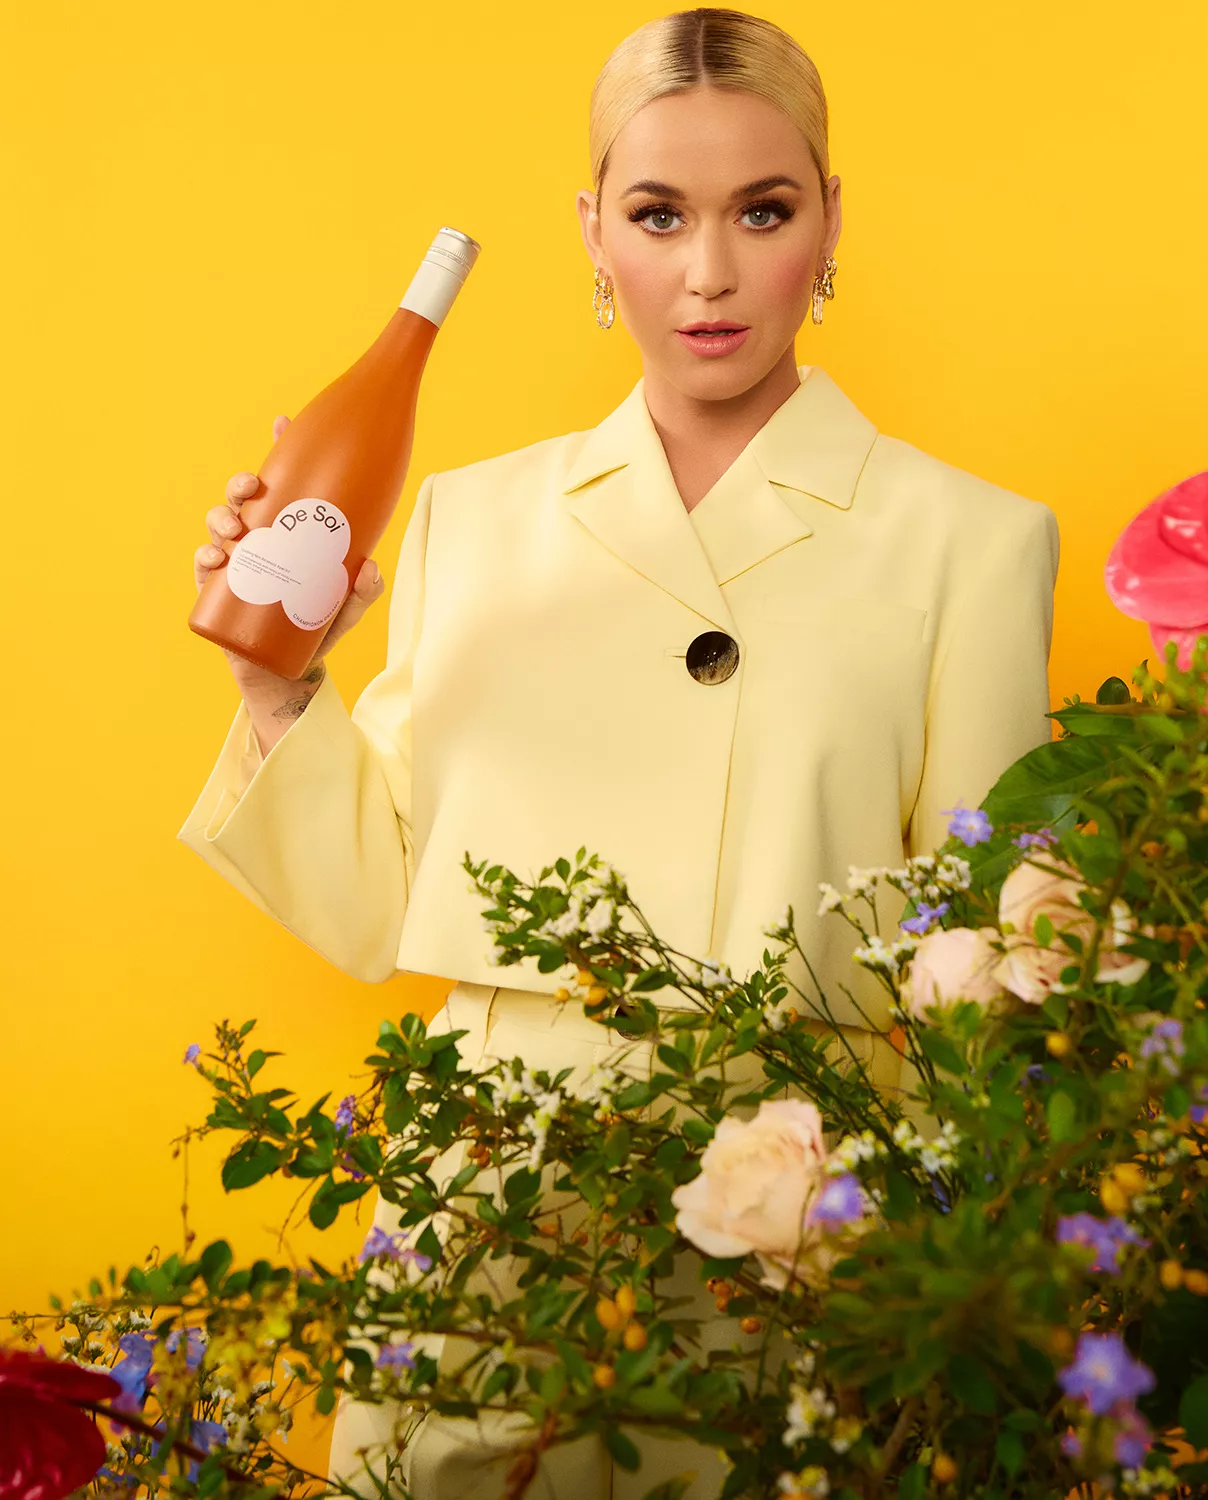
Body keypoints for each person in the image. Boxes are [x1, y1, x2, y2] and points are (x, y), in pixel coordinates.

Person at [178, 7, 1059, 1495]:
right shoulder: (469, 519)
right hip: (493, 1208)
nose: (709, 273)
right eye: (658, 215)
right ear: (592, 231)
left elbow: (989, 971)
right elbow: (380, 904)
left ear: (830, 223)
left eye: (761, 212)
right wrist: (282, 690)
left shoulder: (972, 541)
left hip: (800, 1215)